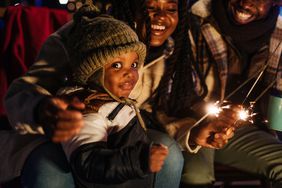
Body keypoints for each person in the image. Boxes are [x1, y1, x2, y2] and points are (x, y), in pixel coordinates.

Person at [3, 0, 237, 187]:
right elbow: (23, 92)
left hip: (118, 133)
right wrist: (44, 110)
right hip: (61, 134)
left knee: (169, 154)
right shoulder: (85, 35)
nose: (161, 17)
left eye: (171, 9)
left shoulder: (174, 50)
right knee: (53, 174)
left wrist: (192, 132)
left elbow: (150, 114)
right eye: (151, 7)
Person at [56, 5, 170, 187]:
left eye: (134, 65)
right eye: (117, 65)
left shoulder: (113, 102)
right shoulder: (88, 110)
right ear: (91, 72)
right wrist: (138, 161)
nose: (130, 73)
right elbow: (88, 162)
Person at [177, 0, 282, 187]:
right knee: (196, 175)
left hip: (242, 130)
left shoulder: (279, 35)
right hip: (195, 123)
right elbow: (180, 94)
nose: (246, 3)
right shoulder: (194, 21)